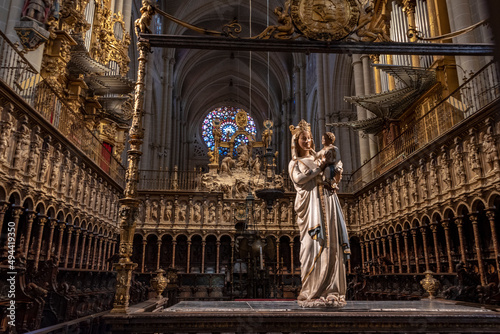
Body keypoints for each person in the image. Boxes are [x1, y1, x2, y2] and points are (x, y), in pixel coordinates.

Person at [288, 120, 350, 308]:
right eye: (303, 138)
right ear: (296, 142)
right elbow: (299, 179)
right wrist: (319, 169)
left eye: (310, 138)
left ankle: (332, 291)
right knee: (312, 245)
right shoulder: (295, 162)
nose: (307, 141)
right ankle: (311, 291)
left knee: (333, 245)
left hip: (329, 201)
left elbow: (332, 171)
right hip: (311, 208)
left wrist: (336, 171)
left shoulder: (320, 156)